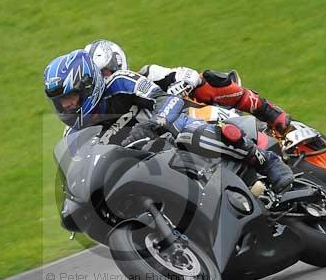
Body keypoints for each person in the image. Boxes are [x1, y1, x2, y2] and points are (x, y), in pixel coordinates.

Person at [44, 49, 294, 192]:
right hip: (145, 165)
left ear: (90, 84)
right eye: (61, 102)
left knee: (196, 113)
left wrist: (157, 122)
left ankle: (266, 159)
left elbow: (165, 97)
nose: (67, 106)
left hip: (173, 130)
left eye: (72, 97)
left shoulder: (122, 82)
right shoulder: (72, 136)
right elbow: (76, 174)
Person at [84, 39, 293, 136]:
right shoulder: (98, 111)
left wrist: (183, 82)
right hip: (161, 146)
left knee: (206, 82)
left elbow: (185, 74)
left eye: (105, 73)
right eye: (97, 76)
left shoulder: (146, 75)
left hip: (188, 115)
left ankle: (269, 112)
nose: (102, 80)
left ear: (117, 64)